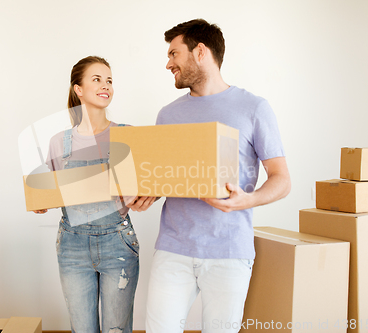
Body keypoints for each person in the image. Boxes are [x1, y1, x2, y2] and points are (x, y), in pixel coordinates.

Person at [136, 19, 291, 333]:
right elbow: (167, 175)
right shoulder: (167, 115)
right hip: (173, 247)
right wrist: (150, 190)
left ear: (200, 51)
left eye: (174, 54)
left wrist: (248, 200)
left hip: (229, 252)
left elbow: (282, 178)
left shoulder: (254, 108)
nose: (168, 63)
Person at [34, 56, 140, 333]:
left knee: (117, 329)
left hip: (118, 242)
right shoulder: (60, 142)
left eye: (109, 81)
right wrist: (41, 202)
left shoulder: (126, 136)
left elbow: (149, 184)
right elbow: (49, 190)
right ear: (78, 89)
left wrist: (146, 195)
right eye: (97, 79)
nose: (106, 86)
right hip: (72, 246)